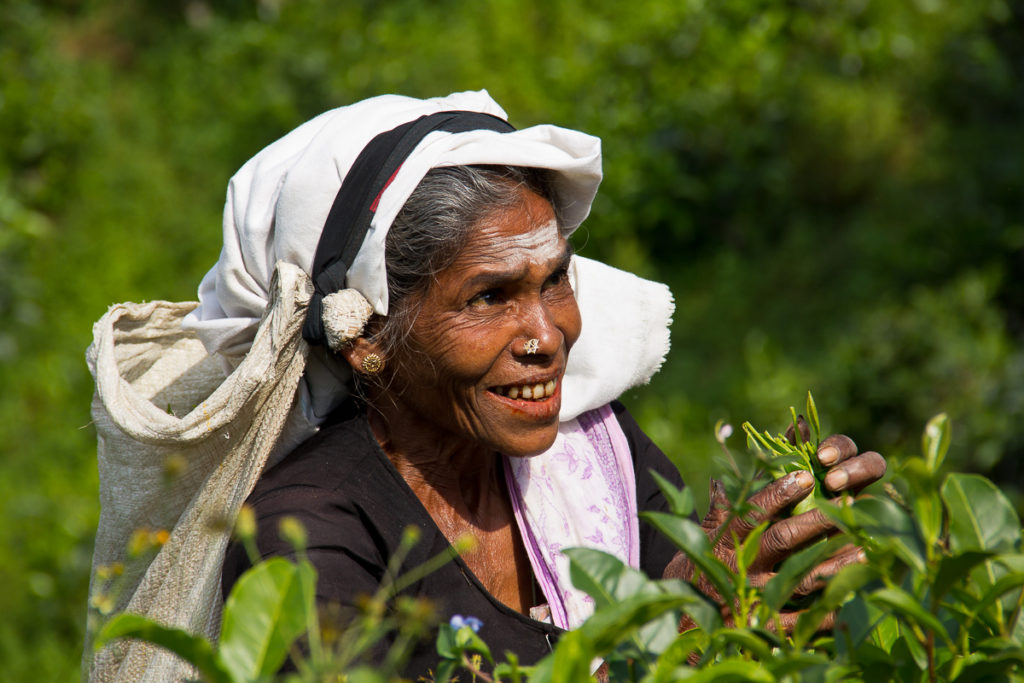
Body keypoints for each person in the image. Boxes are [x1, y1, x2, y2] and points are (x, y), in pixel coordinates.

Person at [182, 91, 886, 677]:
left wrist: (757, 566)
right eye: (489, 298)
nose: (546, 336)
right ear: (367, 338)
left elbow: (697, 592)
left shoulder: (592, 453)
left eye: (554, 282)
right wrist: (658, 645)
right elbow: (676, 622)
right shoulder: (305, 530)